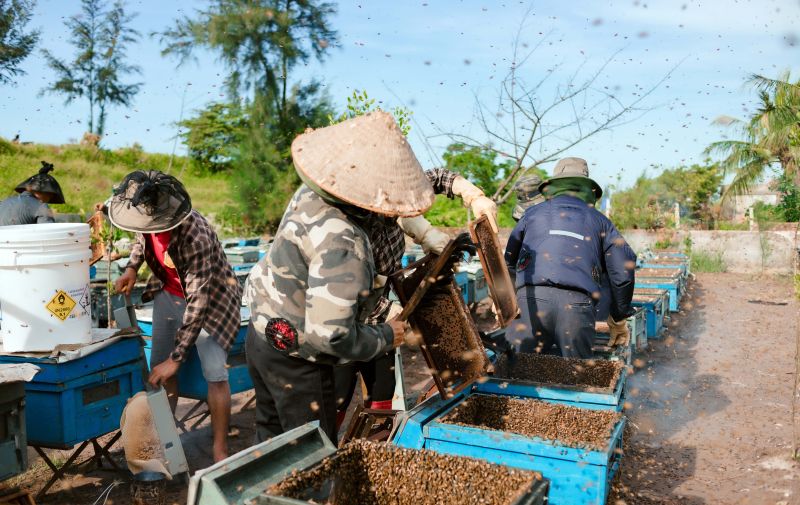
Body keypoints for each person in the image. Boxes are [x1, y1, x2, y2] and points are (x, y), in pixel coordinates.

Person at [245, 111, 488, 443]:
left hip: (262, 330)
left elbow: (417, 183)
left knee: (269, 445)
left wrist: (468, 191)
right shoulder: (344, 242)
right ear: (375, 201)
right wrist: (389, 335)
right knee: (305, 453)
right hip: (300, 350)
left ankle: (253, 493)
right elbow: (330, 336)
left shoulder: (320, 190)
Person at [333, 166, 496, 422]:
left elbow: (437, 178)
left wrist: (472, 194)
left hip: (382, 327)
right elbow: (345, 291)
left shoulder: (394, 192)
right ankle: (329, 446)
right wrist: (392, 312)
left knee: (384, 392)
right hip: (346, 324)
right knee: (337, 396)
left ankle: (378, 437)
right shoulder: (352, 228)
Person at [110, 170, 241, 462]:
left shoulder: (196, 235)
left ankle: (220, 448)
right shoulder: (144, 214)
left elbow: (198, 302)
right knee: (157, 372)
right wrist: (131, 268)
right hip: (168, 294)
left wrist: (178, 358)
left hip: (213, 302)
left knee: (215, 374)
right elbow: (140, 240)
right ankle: (166, 445)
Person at [504, 157, 636, 358]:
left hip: (531, 303)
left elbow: (509, 261)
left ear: (553, 186)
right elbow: (623, 270)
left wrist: (510, 300)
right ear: (587, 189)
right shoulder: (600, 221)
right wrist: (618, 318)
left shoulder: (531, 214)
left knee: (521, 374)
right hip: (577, 307)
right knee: (575, 378)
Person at [0, 161, 65, 225]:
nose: (50, 198)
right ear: (45, 192)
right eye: (51, 194)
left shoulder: (4, 202)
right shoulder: (41, 206)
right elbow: (48, 232)